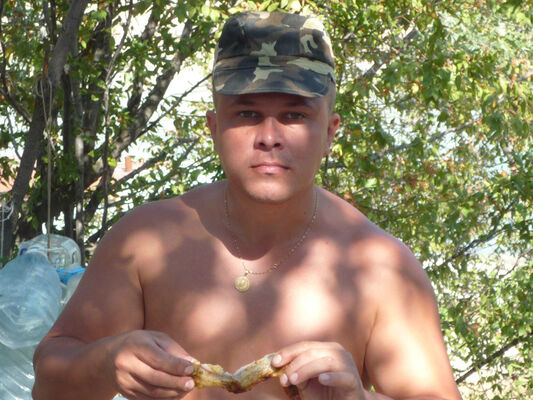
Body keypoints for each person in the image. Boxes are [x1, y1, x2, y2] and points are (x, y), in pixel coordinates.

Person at [32, 11, 463, 400]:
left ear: (330, 132)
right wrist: (107, 361)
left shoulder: (378, 267)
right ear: (214, 127)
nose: (269, 137)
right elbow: (48, 387)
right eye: (246, 114)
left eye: (295, 115)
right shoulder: (147, 241)